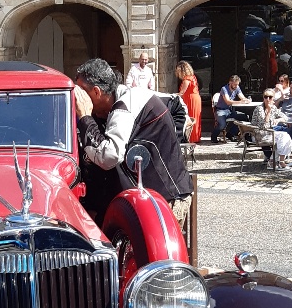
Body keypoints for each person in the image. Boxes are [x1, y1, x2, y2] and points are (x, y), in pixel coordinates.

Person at [74, 58, 192, 228]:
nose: (79, 99)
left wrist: (169, 142)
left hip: (162, 202)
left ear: (97, 92)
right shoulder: (124, 100)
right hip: (144, 201)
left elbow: (109, 157)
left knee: (154, 253)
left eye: (82, 93)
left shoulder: (126, 104)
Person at [251, 90, 292, 170]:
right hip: (259, 134)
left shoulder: (273, 108)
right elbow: (264, 126)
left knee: (285, 136)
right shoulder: (259, 109)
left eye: (270, 97)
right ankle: (279, 162)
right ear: (263, 98)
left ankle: (275, 161)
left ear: (273, 98)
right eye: (266, 97)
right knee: (283, 137)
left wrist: (278, 120)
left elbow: (285, 117)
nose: (268, 99)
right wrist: (268, 112)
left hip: (269, 133)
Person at [212, 75, 248, 143]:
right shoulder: (224, 89)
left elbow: (242, 97)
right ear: (230, 82)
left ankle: (230, 133)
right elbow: (228, 102)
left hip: (229, 111)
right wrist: (240, 102)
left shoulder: (237, 88)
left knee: (244, 118)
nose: (236, 86)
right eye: (234, 84)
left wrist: (246, 100)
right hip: (220, 110)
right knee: (222, 125)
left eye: (237, 84)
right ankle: (213, 136)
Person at [174, 60, 202, 141]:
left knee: (190, 117)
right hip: (194, 98)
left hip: (191, 99)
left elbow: (182, 92)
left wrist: (171, 95)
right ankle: (195, 137)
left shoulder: (187, 79)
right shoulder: (192, 77)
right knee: (194, 117)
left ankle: (192, 138)